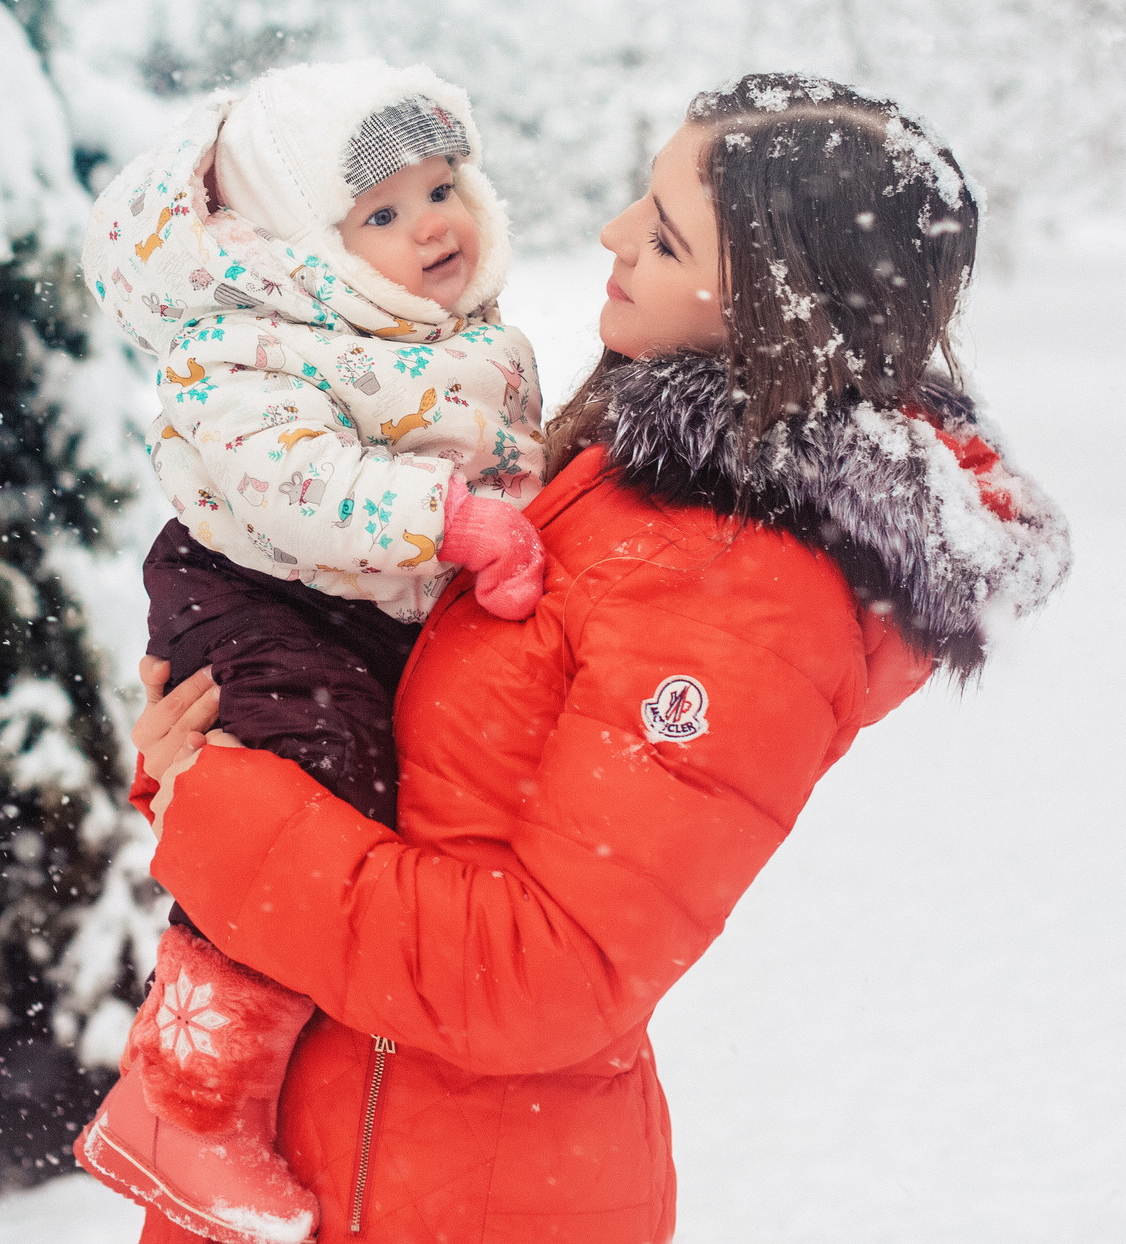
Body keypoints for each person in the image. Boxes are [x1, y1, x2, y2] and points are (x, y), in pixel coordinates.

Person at [124, 74, 1073, 1241]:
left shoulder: (739, 585)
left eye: (666, 234)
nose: (615, 234)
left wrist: (218, 814)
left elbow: (543, 980)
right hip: (333, 1153)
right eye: (642, 197)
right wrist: (223, 721)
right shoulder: (631, 471)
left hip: (450, 1192)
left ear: (774, 302)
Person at [74, 60, 553, 1240]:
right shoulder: (250, 349)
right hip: (257, 592)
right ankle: (185, 1098)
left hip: (356, 607)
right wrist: (452, 521)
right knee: (303, 800)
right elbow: (291, 482)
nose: (429, 225)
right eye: (378, 216)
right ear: (304, 254)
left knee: (337, 792)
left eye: (439, 187)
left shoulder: (463, 336)